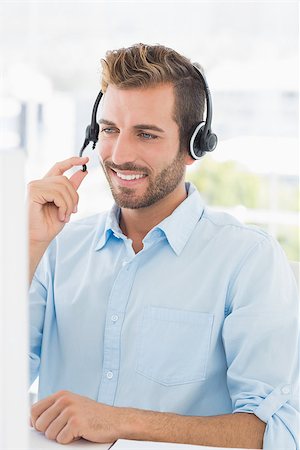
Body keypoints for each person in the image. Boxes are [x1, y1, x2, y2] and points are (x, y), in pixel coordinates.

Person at [28, 43, 299, 449]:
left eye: (146, 134)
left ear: (194, 147)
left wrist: (119, 422)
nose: (119, 155)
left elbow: (276, 434)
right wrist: (27, 244)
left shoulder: (248, 260)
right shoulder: (56, 248)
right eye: (109, 130)